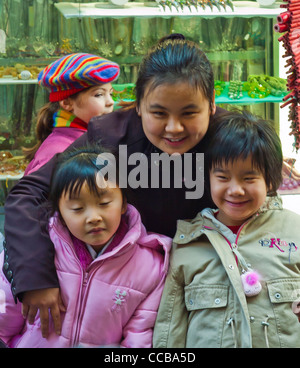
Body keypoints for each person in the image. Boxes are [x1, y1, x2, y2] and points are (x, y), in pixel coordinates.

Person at [3, 33, 226, 337]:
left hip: (209, 292)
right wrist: (35, 277)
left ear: (212, 106)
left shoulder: (230, 141)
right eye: (158, 113)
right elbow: (29, 194)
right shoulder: (111, 138)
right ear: (138, 106)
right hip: (121, 296)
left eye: (189, 113)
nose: (174, 128)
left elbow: (264, 217)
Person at [153, 110, 300, 348]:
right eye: (222, 177)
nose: (235, 190)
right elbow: (171, 327)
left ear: (270, 180)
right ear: (207, 178)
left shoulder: (295, 231)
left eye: (249, 178)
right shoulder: (186, 243)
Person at [0, 145, 171, 347]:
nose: (93, 217)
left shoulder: (152, 268)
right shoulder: (36, 253)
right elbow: (5, 316)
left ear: (123, 203)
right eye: (77, 208)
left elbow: (139, 336)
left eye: (104, 203)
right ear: (60, 211)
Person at [23, 52, 120, 175]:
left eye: (110, 93)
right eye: (99, 94)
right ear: (67, 103)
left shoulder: (90, 138)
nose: (110, 102)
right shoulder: (58, 152)